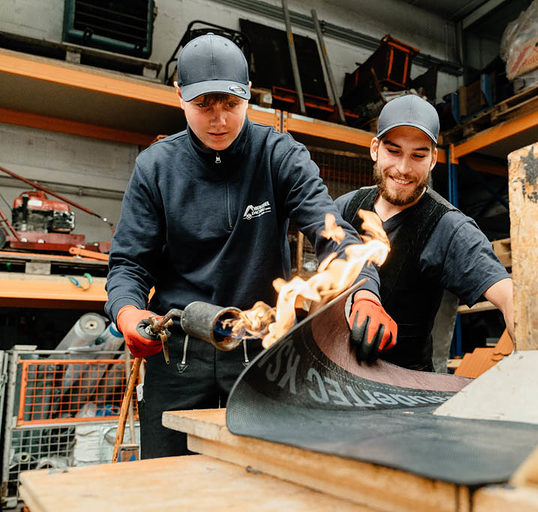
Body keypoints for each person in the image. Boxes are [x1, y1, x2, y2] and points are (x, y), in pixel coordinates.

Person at [106, 33, 395, 459]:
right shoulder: (155, 168)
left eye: (231, 104)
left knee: (267, 476)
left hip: (259, 352)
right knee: (168, 486)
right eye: (204, 105)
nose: (219, 119)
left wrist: (365, 291)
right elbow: (130, 264)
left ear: (248, 97)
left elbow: (333, 233)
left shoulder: (279, 155)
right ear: (179, 95)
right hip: (178, 354)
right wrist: (127, 310)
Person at [335, 94, 515, 372]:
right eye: (393, 151)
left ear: (432, 159)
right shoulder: (347, 207)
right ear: (375, 149)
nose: (403, 169)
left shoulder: (448, 227)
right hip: (334, 375)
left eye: (418, 155)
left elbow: (508, 294)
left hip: (402, 389)